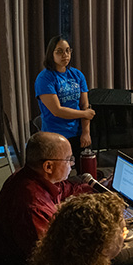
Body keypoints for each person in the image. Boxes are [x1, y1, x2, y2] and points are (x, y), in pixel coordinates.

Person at [0, 132, 93, 265]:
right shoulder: (32, 206)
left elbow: (63, 188)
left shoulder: (31, 176)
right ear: (48, 166)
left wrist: (97, 188)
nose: (72, 164)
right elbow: (52, 259)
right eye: (68, 160)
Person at [35, 36, 95, 171]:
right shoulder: (45, 78)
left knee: (86, 172)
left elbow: (85, 105)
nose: (65, 55)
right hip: (55, 135)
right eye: (60, 51)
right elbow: (57, 110)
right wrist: (85, 113)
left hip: (77, 133)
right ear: (51, 54)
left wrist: (86, 132)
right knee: (59, 175)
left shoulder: (77, 75)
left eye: (68, 51)